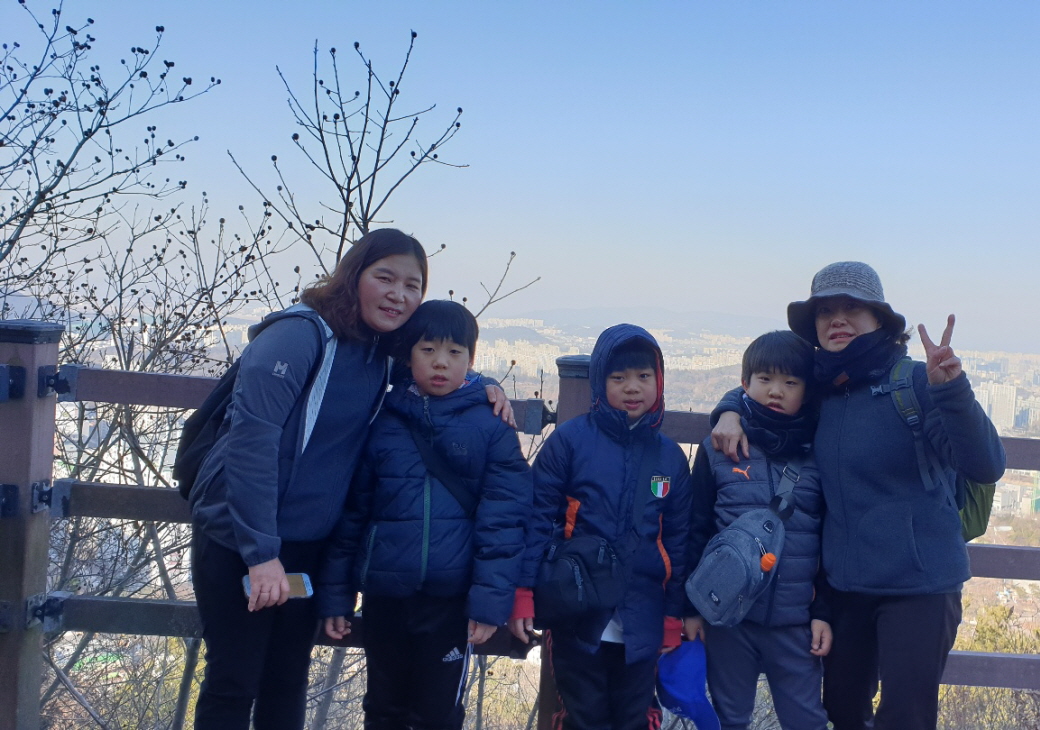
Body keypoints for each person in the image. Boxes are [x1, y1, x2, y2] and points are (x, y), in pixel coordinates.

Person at [187, 229, 511, 729]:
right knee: (233, 682)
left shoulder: (377, 350)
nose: (398, 294)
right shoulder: (297, 337)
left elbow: (433, 372)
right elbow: (251, 445)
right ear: (353, 275)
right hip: (239, 538)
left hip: (306, 542)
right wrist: (261, 554)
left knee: (286, 679)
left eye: (412, 285)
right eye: (385, 278)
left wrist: (483, 386)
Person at [711, 262, 1005, 730]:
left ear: (879, 320)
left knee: (905, 719)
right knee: (843, 711)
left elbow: (986, 464)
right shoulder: (821, 389)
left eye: (852, 307)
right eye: (825, 310)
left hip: (920, 586)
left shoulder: (916, 382)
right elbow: (765, 386)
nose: (837, 319)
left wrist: (952, 390)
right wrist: (728, 410)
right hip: (847, 589)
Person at [317, 299, 532, 729]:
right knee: (383, 708)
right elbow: (354, 514)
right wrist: (337, 594)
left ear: (471, 359)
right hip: (385, 595)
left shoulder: (492, 428)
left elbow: (504, 523)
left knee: (438, 713)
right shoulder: (383, 421)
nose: (440, 362)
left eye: (454, 352)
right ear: (408, 355)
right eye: (428, 349)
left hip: (451, 600)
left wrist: (489, 604)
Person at [510, 324, 692, 730]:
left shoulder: (670, 459)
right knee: (581, 717)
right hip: (576, 611)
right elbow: (536, 520)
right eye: (619, 377)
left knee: (635, 718)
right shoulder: (570, 442)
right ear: (599, 382)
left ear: (659, 380)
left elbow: (677, 544)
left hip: (644, 614)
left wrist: (672, 617)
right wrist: (523, 593)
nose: (633, 387)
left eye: (643, 376)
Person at [684, 330, 832, 730]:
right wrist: (690, 608)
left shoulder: (822, 453)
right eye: (765, 379)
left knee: (806, 721)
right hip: (727, 618)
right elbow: (696, 528)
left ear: (807, 390)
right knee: (729, 718)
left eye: (790, 382)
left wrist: (823, 612)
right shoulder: (719, 448)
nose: (776, 391)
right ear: (744, 383)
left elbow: (831, 541)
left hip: (796, 622)